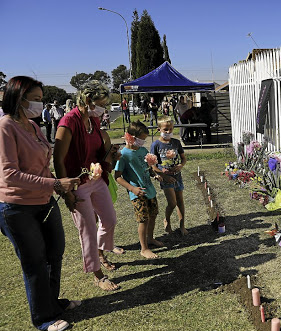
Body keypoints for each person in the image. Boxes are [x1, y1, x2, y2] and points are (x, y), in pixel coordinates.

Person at [0, 76, 81, 331]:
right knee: (34, 261)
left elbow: (42, 162)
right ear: (17, 98)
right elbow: (9, 175)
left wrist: (57, 181)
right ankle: (43, 317)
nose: (39, 104)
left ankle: (52, 302)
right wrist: (56, 185)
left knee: (54, 252)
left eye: (40, 99)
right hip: (17, 207)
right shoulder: (5, 127)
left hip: (44, 200)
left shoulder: (33, 126)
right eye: (35, 99)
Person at [53, 80, 120, 291]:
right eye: (101, 103)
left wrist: (111, 155)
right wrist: (66, 193)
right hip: (77, 183)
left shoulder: (94, 121)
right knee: (88, 229)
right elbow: (58, 159)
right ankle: (97, 274)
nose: (103, 109)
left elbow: (99, 149)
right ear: (88, 100)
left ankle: (100, 253)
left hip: (97, 178)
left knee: (109, 219)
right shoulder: (69, 122)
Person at [115, 120, 164, 259]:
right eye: (141, 139)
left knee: (153, 215)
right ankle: (144, 248)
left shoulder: (143, 151)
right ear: (130, 137)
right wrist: (132, 189)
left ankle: (150, 238)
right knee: (143, 220)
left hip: (150, 191)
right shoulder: (123, 155)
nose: (143, 142)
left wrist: (154, 175)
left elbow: (147, 168)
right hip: (137, 194)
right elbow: (117, 177)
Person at [150, 118, 188, 236]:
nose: (168, 131)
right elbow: (152, 165)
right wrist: (162, 174)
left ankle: (182, 225)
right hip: (165, 178)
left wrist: (181, 165)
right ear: (159, 129)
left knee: (180, 201)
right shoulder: (156, 145)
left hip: (177, 176)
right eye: (165, 129)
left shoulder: (176, 142)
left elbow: (183, 158)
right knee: (172, 203)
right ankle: (167, 220)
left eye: (170, 129)